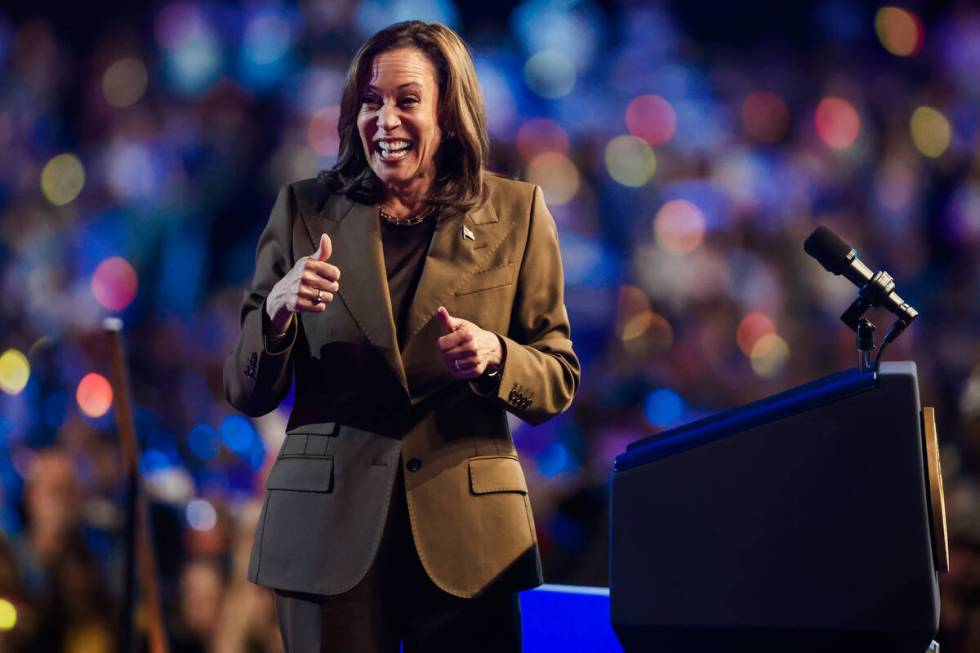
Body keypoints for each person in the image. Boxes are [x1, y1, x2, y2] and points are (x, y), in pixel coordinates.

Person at [223, 19, 580, 652]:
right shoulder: (302, 210)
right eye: (370, 101)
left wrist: (498, 357)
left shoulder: (517, 213)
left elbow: (557, 377)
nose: (384, 119)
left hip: (469, 540)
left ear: (449, 111)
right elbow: (246, 391)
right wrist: (277, 313)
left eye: (407, 100)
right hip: (326, 536)